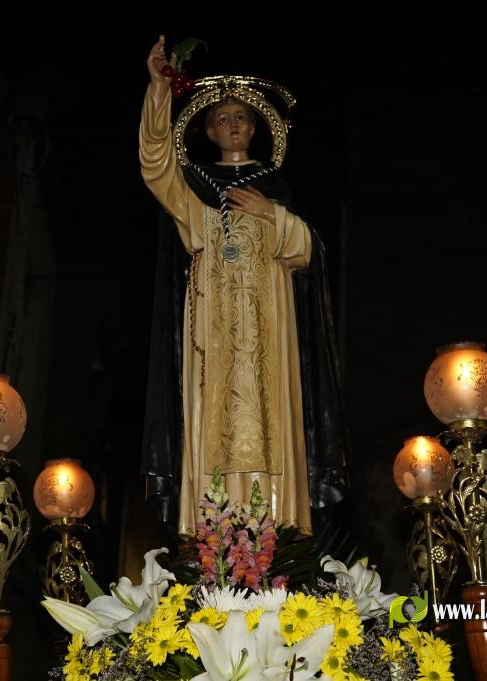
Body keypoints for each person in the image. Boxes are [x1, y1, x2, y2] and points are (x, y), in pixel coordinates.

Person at [140, 35, 349, 538]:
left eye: (241, 118)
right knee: (213, 419)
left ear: (255, 127)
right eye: (222, 119)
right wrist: (158, 91)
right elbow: (155, 166)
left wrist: (271, 214)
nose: (232, 125)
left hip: (269, 333)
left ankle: (277, 525)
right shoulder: (193, 190)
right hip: (211, 335)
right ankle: (212, 529)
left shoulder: (273, 191)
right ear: (208, 131)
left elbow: (307, 250)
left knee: (272, 414)